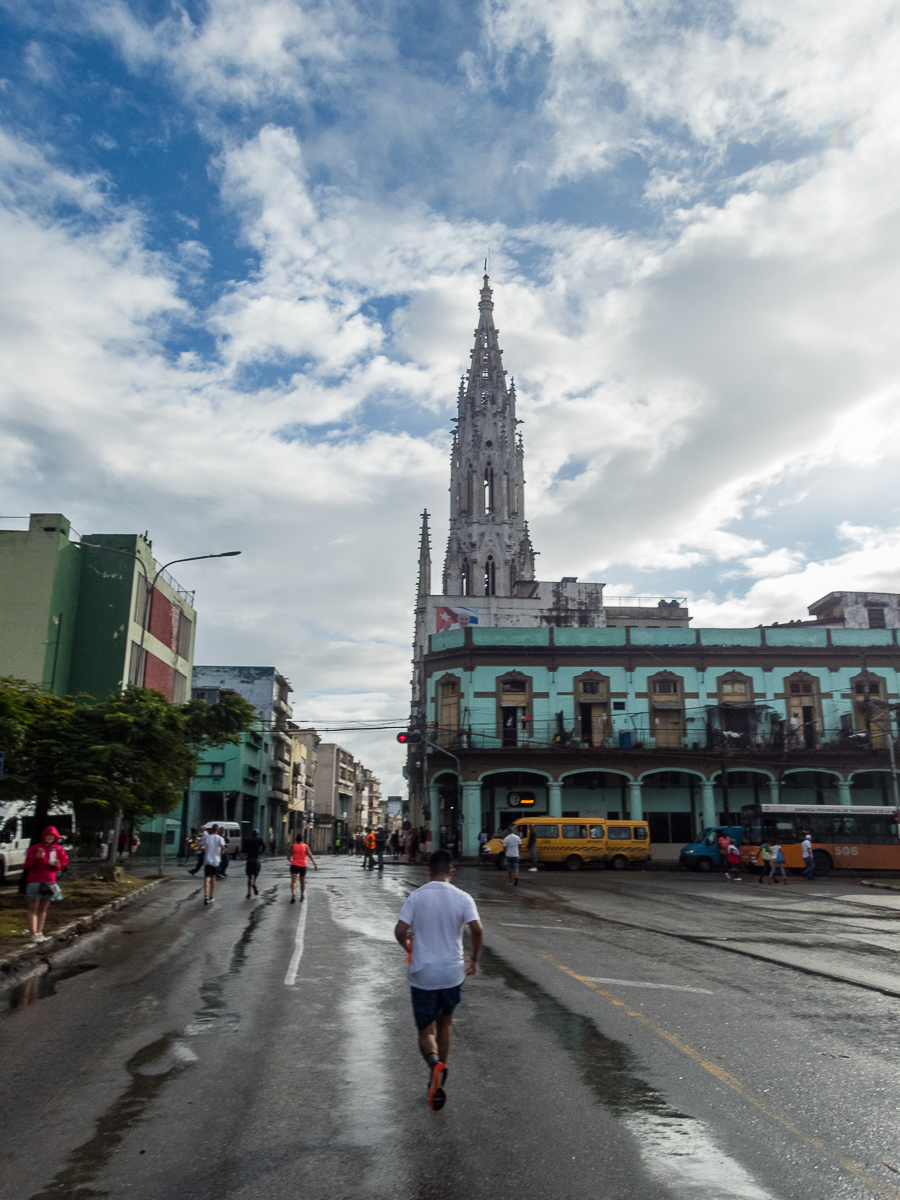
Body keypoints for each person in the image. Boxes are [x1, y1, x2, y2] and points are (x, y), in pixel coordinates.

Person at [394, 849, 483, 1111]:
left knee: (426, 1030)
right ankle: (439, 1083)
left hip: (423, 973)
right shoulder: (463, 897)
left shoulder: (417, 896)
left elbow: (399, 930)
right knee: (445, 1025)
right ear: (451, 872)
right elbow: (477, 930)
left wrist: (408, 945)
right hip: (452, 972)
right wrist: (474, 959)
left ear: (429, 871)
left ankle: (434, 1064)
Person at [23, 827, 69, 944]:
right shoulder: (35, 848)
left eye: (52, 836)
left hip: (50, 881)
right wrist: (37, 858)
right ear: (43, 836)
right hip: (35, 881)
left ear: (56, 837)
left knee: (43, 909)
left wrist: (57, 864)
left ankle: (40, 932)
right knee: (33, 909)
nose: (49, 838)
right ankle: (33, 934)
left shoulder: (58, 849)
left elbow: (63, 862)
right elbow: (27, 865)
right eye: (47, 836)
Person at [287, 837, 318, 902]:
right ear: (302, 840)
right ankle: (302, 896)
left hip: (294, 865)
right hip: (303, 865)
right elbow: (310, 856)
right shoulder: (305, 846)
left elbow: (288, 857)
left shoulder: (293, 846)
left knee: (293, 881)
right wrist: (315, 864)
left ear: (296, 840)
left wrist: (291, 860)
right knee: (302, 881)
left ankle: (293, 895)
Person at [202, 824, 226, 905]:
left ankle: (205, 895)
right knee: (213, 879)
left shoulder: (207, 838)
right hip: (215, 861)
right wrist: (222, 851)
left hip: (208, 861)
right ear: (218, 830)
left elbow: (203, 847)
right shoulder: (220, 838)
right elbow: (223, 847)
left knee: (207, 878)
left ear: (211, 829)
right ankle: (211, 896)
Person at [244, 828, 266, 898]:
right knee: (257, 874)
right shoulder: (259, 840)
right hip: (256, 859)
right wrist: (261, 852)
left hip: (249, 859)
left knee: (249, 877)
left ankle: (249, 893)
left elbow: (243, 849)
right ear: (257, 834)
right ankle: (255, 883)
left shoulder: (248, 840)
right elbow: (264, 846)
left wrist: (248, 852)